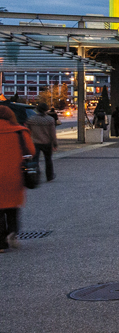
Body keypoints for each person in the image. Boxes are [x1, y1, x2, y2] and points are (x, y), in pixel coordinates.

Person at [0, 106, 34, 252]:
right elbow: (31, 151)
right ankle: (12, 232)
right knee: (12, 207)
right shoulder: (19, 131)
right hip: (14, 175)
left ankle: (1, 244)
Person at [27, 103, 58, 183]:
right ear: (46, 109)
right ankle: (49, 176)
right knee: (48, 160)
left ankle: (35, 175)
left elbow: (28, 131)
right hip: (46, 142)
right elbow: (52, 133)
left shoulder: (31, 119)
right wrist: (55, 143)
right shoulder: (50, 119)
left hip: (35, 142)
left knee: (35, 160)